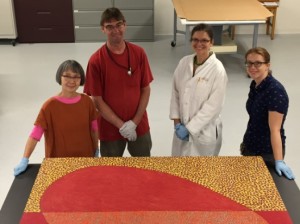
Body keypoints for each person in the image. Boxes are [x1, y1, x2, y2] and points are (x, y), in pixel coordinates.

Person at [83, 7, 153, 157]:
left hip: (139, 124)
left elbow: (145, 89)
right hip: (110, 129)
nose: (115, 30)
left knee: (144, 169)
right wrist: (121, 126)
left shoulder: (139, 53)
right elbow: (97, 100)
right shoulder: (96, 61)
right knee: (111, 173)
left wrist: (134, 122)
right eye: (109, 27)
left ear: (125, 25)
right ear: (103, 29)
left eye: (119, 25)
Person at [14, 60, 99, 176]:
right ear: (60, 77)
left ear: (81, 79)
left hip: (85, 161)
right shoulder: (49, 106)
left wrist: (96, 150)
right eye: (67, 76)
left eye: (76, 77)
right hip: (58, 164)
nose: (72, 81)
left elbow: (94, 129)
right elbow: (35, 135)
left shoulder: (87, 102)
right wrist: (25, 159)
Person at [169, 23, 228, 156]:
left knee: (202, 172)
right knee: (179, 170)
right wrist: (177, 122)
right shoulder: (184, 62)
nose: (199, 44)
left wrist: (190, 129)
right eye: (195, 39)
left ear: (212, 42)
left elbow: (214, 106)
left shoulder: (217, 69)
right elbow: (175, 92)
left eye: (204, 40)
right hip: (181, 127)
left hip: (204, 132)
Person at [241, 47, 295, 180]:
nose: (252, 67)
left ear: (267, 65)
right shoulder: (256, 85)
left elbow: (275, 130)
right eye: (249, 63)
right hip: (251, 146)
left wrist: (278, 160)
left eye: (258, 63)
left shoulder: (275, 92)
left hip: (267, 153)